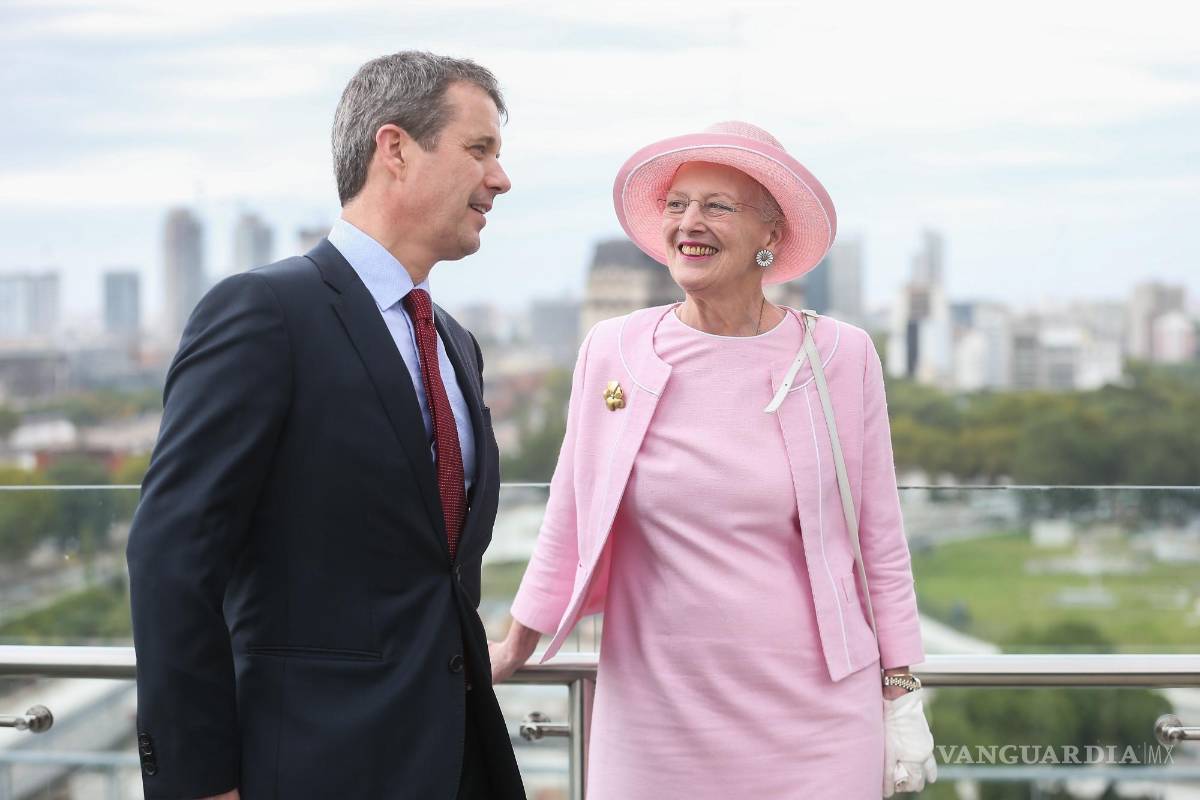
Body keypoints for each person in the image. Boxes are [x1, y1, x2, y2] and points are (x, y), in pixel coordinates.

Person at [490, 121, 937, 798]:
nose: (689, 223)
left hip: (817, 719)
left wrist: (902, 689)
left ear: (771, 235)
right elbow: (570, 514)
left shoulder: (841, 357)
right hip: (653, 717)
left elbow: (880, 538)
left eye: (717, 206)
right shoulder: (612, 349)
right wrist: (513, 644)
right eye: (677, 205)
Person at [127, 51, 525, 800]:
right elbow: (171, 559)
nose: (500, 179)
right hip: (312, 768)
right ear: (395, 148)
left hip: (457, 763)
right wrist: (200, 784)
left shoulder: (456, 345)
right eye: (480, 150)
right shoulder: (263, 313)